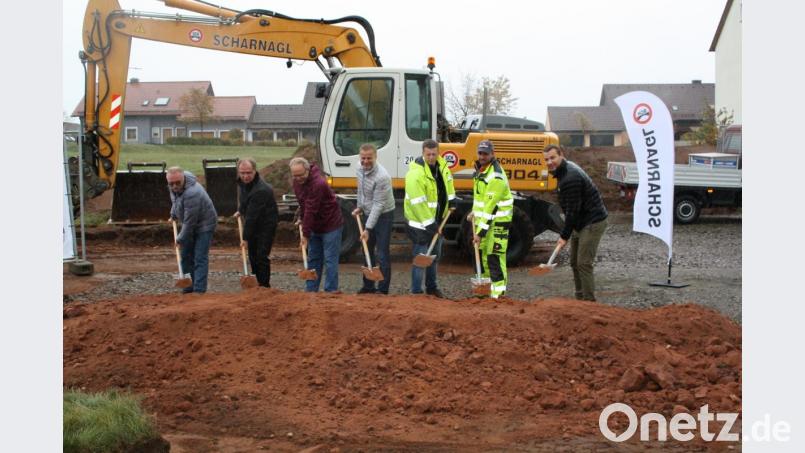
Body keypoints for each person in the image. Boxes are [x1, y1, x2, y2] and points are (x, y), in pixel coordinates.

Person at [542, 144, 608, 301]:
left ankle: (589, 302)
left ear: (561, 155)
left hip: (592, 221)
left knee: (583, 263)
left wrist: (564, 236)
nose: (549, 162)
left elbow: (572, 211)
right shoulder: (563, 171)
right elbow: (571, 209)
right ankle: (579, 298)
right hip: (580, 221)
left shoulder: (570, 178)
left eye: (553, 158)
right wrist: (568, 231)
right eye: (546, 159)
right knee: (574, 262)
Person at [404, 139, 456, 298]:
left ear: (438, 153)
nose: (431, 157)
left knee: (433, 257)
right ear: (423, 153)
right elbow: (418, 202)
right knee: (421, 258)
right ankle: (416, 291)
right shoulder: (415, 174)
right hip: (420, 224)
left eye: (434, 154)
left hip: (437, 221)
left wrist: (452, 200)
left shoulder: (442, 166)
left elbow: (448, 183)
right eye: (428, 154)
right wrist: (430, 224)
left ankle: (432, 287)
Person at [290, 157, 344, 293]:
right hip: (315, 225)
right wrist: (301, 218)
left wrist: (305, 235)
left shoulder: (318, 183)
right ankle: (311, 290)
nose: (298, 178)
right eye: (295, 175)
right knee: (313, 258)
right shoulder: (297, 183)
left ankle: (330, 291)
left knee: (330, 259)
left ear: (307, 170)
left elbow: (311, 208)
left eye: (301, 175)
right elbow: (303, 203)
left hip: (330, 224)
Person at [470, 140, 513, 299]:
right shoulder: (481, 171)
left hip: (498, 224)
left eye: (485, 154)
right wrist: (474, 212)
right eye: (480, 153)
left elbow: (490, 208)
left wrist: (479, 233)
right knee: (484, 257)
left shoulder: (495, 176)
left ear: (492, 154)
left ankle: (498, 296)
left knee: (494, 258)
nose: (482, 156)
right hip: (485, 223)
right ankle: (485, 293)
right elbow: (480, 199)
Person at [352, 143, 395, 294]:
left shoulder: (382, 177)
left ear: (376, 157)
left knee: (382, 253)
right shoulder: (359, 168)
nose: (365, 161)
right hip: (368, 211)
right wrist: (360, 206)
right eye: (363, 158)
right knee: (367, 250)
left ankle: (382, 290)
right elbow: (361, 189)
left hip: (384, 215)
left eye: (369, 158)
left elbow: (378, 205)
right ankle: (368, 286)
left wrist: (368, 229)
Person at [166, 167, 217, 294]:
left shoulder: (192, 192)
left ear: (183, 178)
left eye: (177, 183)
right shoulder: (174, 187)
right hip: (190, 222)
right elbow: (176, 201)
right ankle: (188, 287)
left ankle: (199, 290)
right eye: (171, 184)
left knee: (199, 257)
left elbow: (189, 222)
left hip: (205, 224)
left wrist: (180, 238)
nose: (174, 186)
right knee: (185, 256)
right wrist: (173, 214)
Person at [235, 157, 279, 288]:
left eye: (248, 173)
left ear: (255, 171)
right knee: (252, 256)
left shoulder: (261, 190)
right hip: (254, 222)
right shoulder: (243, 183)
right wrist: (240, 210)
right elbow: (245, 199)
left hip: (266, 225)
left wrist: (245, 238)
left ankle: (264, 286)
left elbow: (251, 217)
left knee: (261, 256)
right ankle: (256, 283)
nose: (245, 176)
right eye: (242, 173)